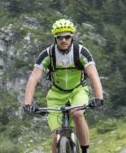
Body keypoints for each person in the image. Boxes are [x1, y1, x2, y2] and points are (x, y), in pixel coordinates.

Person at [22, 19, 104, 153]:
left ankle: (85, 150)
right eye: (59, 37)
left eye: (67, 37)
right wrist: (27, 103)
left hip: (78, 91)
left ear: (72, 37)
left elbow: (93, 73)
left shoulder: (81, 52)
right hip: (56, 94)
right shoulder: (48, 54)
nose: (63, 40)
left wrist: (99, 97)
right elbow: (34, 77)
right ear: (55, 39)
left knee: (77, 114)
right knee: (55, 137)